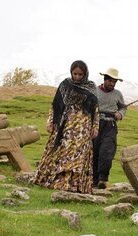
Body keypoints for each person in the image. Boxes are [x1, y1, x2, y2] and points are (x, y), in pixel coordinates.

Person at [33, 60, 99, 194]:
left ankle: (75, 185)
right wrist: (50, 121)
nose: (77, 77)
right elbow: (55, 105)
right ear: (71, 72)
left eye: (80, 74)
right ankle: (57, 182)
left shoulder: (91, 87)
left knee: (79, 153)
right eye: (75, 74)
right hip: (65, 124)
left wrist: (95, 126)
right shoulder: (65, 85)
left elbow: (95, 110)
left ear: (85, 73)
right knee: (63, 150)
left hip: (83, 126)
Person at [93, 67, 127, 189]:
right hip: (96, 124)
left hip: (110, 125)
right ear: (105, 79)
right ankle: (93, 181)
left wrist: (120, 114)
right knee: (94, 151)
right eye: (110, 81)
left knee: (107, 151)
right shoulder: (94, 91)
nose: (112, 84)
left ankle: (103, 179)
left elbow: (123, 107)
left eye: (114, 82)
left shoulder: (118, 94)